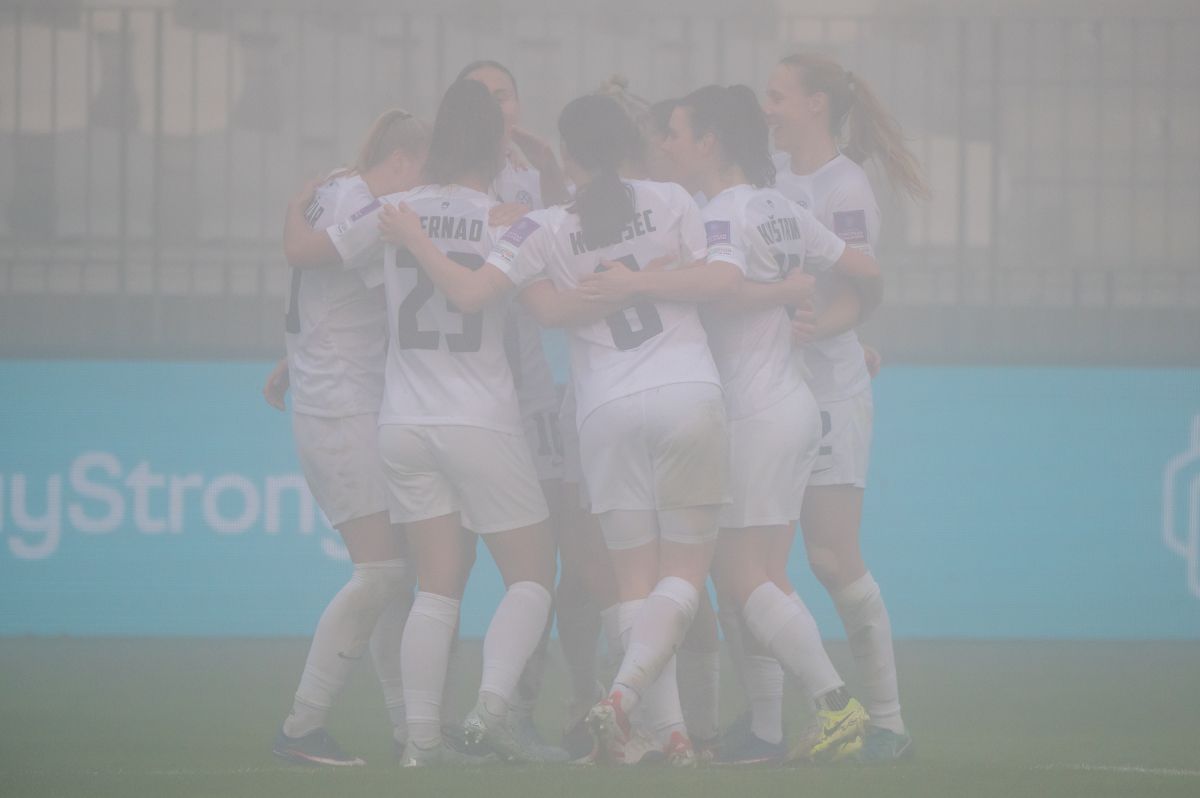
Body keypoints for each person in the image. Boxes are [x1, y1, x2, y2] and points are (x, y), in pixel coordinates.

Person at [377, 93, 740, 766]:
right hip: (688, 395)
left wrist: (430, 234)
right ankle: (635, 708)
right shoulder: (672, 200)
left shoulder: (539, 226)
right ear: (629, 145)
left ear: (568, 154)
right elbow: (722, 277)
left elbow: (522, 304)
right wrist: (643, 283)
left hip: (601, 411)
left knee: (629, 585)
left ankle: (652, 733)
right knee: (682, 577)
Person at [660, 84, 882, 764]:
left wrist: (645, 281)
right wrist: (827, 314)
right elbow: (864, 269)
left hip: (755, 412)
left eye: (676, 133)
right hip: (792, 403)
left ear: (710, 143)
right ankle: (769, 730)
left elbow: (721, 287)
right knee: (762, 578)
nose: (668, 147)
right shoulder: (781, 207)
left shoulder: (722, 214)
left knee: (739, 577)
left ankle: (836, 704)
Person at [763, 52, 930, 763]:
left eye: (778, 96)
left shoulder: (845, 186)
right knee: (757, 561)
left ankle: (888, 721)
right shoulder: (770, 176)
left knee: (831, 559)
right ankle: (766, 724)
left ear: (816, 105)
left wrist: (824, 332)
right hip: (767, 389)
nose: (767, 108)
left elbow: (859, 291)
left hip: (828, 388)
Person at [267, 109, 430, 766]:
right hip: (341, 407)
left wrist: (292, 357)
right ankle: (302, 727)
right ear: (403, 159)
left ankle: (408, 728)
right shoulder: (367, 207)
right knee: (382, 571)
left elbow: (330, 294)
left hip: (342, 398)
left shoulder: (337, 190)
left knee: (397, 576)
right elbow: (304, 255)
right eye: (425, 171)